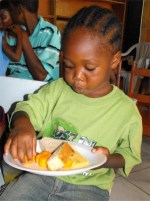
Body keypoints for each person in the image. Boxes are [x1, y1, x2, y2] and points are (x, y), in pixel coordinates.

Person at [1, 5, 142, 201]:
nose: (76, 77)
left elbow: (128, 155)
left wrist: (107, 160)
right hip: (42, 174)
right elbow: (27, 108)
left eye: (89, 68)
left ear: (114, 60)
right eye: (68, 65)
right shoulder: (58, 89)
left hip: (90, 185)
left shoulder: (126, 111)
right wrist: (23, 126)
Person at [6, 0, 61, 81]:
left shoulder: (50, 32)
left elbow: (41, 76)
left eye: (11, 10)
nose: (10, 14)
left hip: (40, 90)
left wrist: (23, 36)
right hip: (13, 86)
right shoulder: (12, 33)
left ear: (19, 9)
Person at [0, 0, 23, 76]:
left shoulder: (5, 34)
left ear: (13, 16)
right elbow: (16, 57)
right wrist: (20, 34)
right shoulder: (1, 37)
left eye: (3, 17)